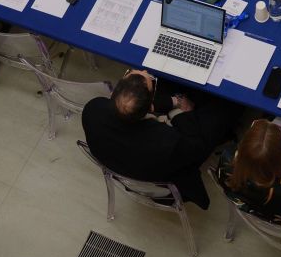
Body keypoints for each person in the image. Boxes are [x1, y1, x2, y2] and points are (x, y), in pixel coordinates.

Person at [80, 69, 238, 209]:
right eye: (151, 83)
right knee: (224, 108)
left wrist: (173, 102)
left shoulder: (92, 110)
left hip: (121, 163)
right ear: (150, 106)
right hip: (166, 181)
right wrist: (180, 112)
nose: (144, 70)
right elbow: (196, 146)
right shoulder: (166, 141)